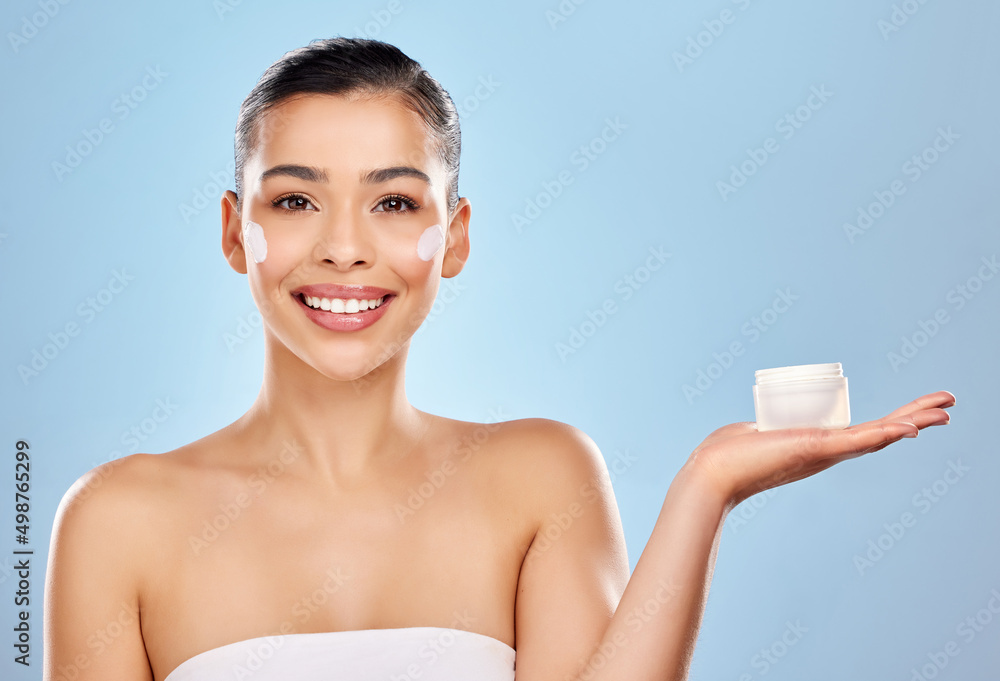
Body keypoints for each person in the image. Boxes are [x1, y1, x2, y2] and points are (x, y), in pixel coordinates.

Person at [43, 37, 954, 681]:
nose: (346, 249)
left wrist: (708, 488)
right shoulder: (116, 520)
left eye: (395, 204)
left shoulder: (542, 474)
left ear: (456, 237)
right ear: (237, 232)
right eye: (296, 202)